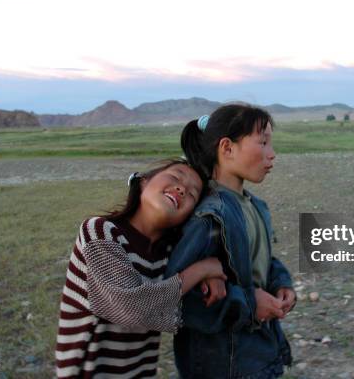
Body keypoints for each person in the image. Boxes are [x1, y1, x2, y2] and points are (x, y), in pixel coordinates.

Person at [55, 158, 227, 378]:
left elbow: (186, 300)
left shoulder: (168, 255)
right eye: (175, 177)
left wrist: (214, 275)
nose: (182, 189)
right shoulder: (101, 232)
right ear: (144, 181)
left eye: (193, 194)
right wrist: (202, 270)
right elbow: (131, 310)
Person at [164, 103, 297, 379]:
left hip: (255, 350)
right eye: (262, 143)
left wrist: (280, 282)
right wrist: (249, 303)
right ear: (227, 148)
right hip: (222, 362)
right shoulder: (210, 217)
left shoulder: (255, 205)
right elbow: (183, 297)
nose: (272, 154)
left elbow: (260, 260)